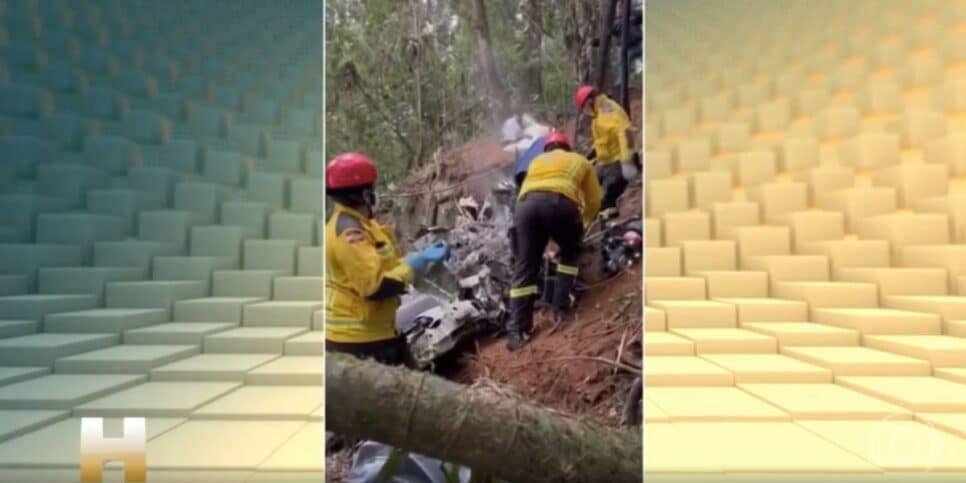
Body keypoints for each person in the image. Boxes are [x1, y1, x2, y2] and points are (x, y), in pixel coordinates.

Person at [324, 152, 450, 366]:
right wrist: (414, 265)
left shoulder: (363, 224)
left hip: (381, 332)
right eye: (372, 188)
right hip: (360, 342)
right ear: (365, 194)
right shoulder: (349, 234)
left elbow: (384, 266)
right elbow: (375, 287)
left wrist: (418, 257)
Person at [506, 131, 602, 351]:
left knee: (525, 267)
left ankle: (516, 331)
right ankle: (561, 309)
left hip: (525, 208)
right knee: (570, 253)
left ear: (546, 148)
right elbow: (595, 200)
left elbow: (529, 192)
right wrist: (583, 226)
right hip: (560, 204)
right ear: (567, 147)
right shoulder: (580, 160)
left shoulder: (536, 161)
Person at [574, 85, 637, 222]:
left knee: (608, 193)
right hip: (607, 162)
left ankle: (609, 218)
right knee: (591, 186)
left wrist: (627, 161)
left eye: (584, 108)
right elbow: (602, 142)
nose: (585, 112)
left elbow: (625, 132)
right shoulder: (598, 116)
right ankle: (594, 216)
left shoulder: (607, 112)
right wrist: (589, 157)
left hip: (619, 161)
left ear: (589, 102)